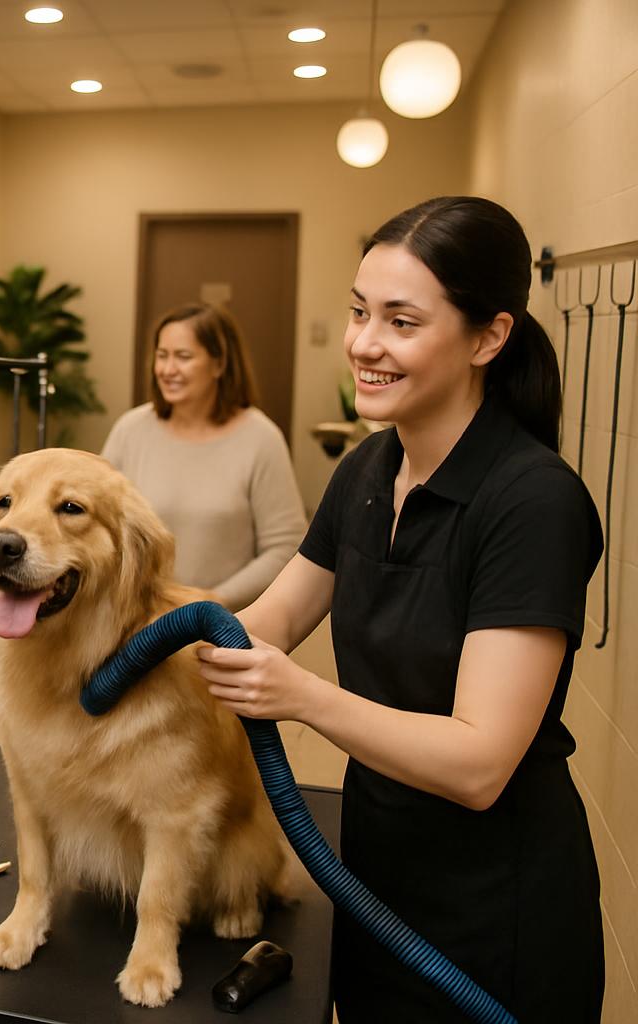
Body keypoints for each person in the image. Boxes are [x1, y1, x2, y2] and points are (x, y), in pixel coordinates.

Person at [195, 196, 604, 1022]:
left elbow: (478, 764)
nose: (363, 344)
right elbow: (266, 624)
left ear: (489, 337)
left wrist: (303, 698)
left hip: (494, 905)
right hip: (377, 872)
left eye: (401, 321)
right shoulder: (369, 470)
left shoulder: (532, 504)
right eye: (357, 312)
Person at [100, 303, 305, 610]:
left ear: (219, 365)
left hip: (220, 625)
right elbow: (98, 522)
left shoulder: (261, 439)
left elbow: (285, 547)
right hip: (133, 621)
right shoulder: (130, 430)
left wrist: (212, 600)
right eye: (162, 355)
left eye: (183, 357)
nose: (168, 370)